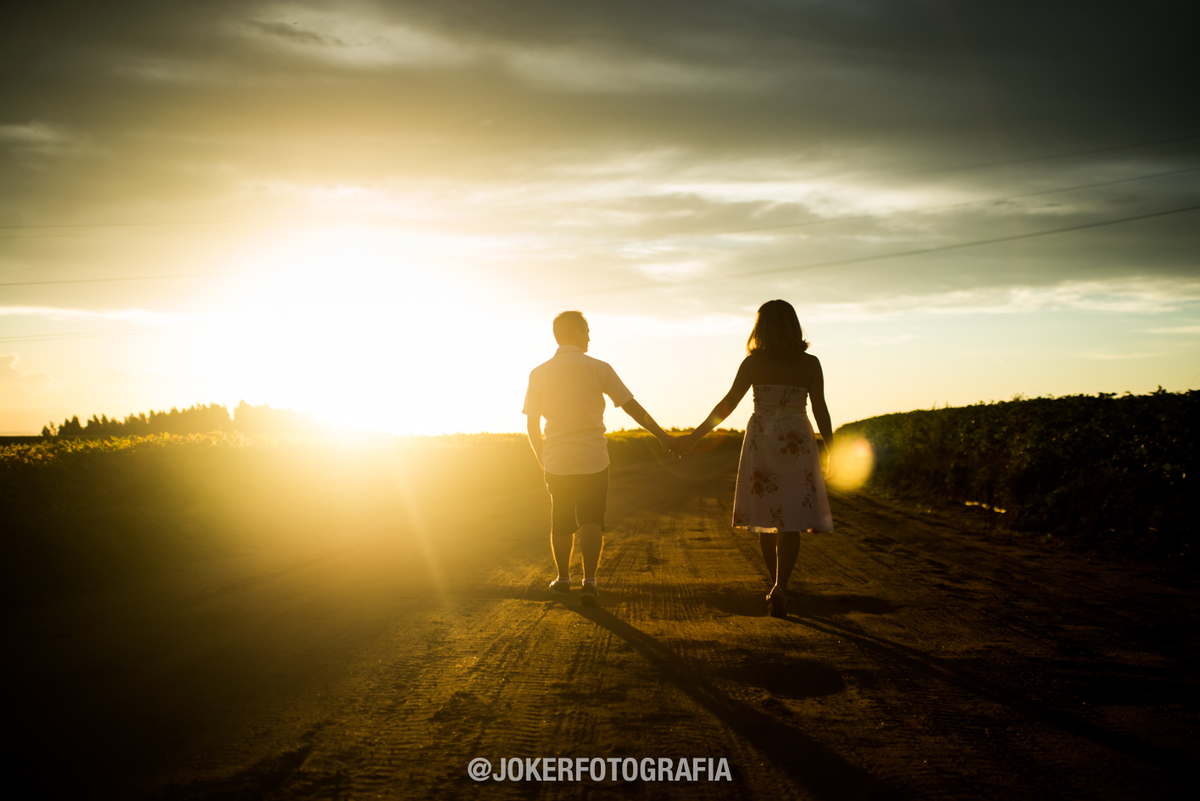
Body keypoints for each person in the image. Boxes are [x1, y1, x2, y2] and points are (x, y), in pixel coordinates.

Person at [679, 299, 834, 618]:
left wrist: (694, 437)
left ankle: (775, 584)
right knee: (791, 521)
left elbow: (727, 405)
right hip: (796, 440)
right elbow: (820, 408)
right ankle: (781, 586)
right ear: (793, 326)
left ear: (761, 327)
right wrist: (832, 449)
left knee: (766, 517)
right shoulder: (810, 363)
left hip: (762, 439)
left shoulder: (752, 363)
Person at [524, 311, 678, 607]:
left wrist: (542, 458)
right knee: (592, 519)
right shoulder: (599, 368)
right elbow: (630, 406)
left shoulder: (539, 373)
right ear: (576, 333)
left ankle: (563, 579)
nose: (589, 338)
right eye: (587, 332)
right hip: (593, 458)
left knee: (561, 519)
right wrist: (662, 435)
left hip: (556, 459)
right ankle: (590, 582)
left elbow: (532, 422)